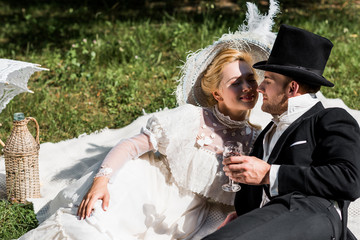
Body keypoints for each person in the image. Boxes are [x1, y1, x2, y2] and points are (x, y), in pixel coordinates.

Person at [18, 2, 279, 239]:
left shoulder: (257, 139)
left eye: (250, 80)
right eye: (236, 83)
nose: (247, 87)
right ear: (216, 93)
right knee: (98, 220)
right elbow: (130, 145)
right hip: (152, 187)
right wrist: (101, 181)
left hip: (192, 215)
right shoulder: (191, 118)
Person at [203, 24, 360, 240]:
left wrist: (269, 173)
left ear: (292, 88)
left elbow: (349, 180)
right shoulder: (268, 132)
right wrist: (243, 219)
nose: (259, 88)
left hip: (313, 213)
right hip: (272, 221)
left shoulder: (329, 119)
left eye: (267, 81)